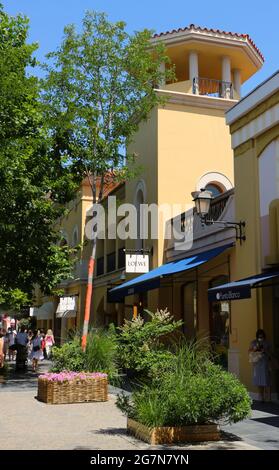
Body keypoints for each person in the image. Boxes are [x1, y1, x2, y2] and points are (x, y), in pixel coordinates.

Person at [249, 329, 271, 402]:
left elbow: (270, 353)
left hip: (265, 363)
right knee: (259, 380)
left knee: (266, 380)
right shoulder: (253, 342)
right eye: (259, 336)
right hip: (257, 363)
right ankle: (261, 397)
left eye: (262, 336)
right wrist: (255, 349)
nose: (260, 338)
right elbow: (249, 351)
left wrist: (265, 350)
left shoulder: (267, 342)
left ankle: (268, 397)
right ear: (257, 336)